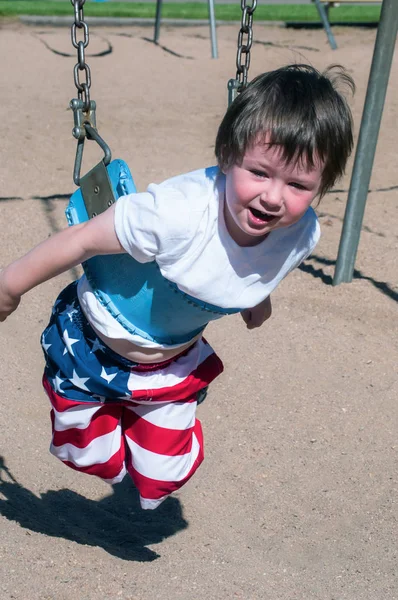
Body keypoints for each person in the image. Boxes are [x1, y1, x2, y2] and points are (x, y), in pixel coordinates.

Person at [0, 64, 354, 510]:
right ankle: (103, 422)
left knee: (162, 477)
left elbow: (260, 264)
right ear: (228, 156)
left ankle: (141, 426)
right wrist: (9, 286)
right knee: (88, 456)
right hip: (91, 346)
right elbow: (82, 238)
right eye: (260, 172)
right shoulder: (175, 215)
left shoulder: (299, 232)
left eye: (299, 184)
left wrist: (256, 302)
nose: (273, 197)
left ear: (323, 185)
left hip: (171, 362)